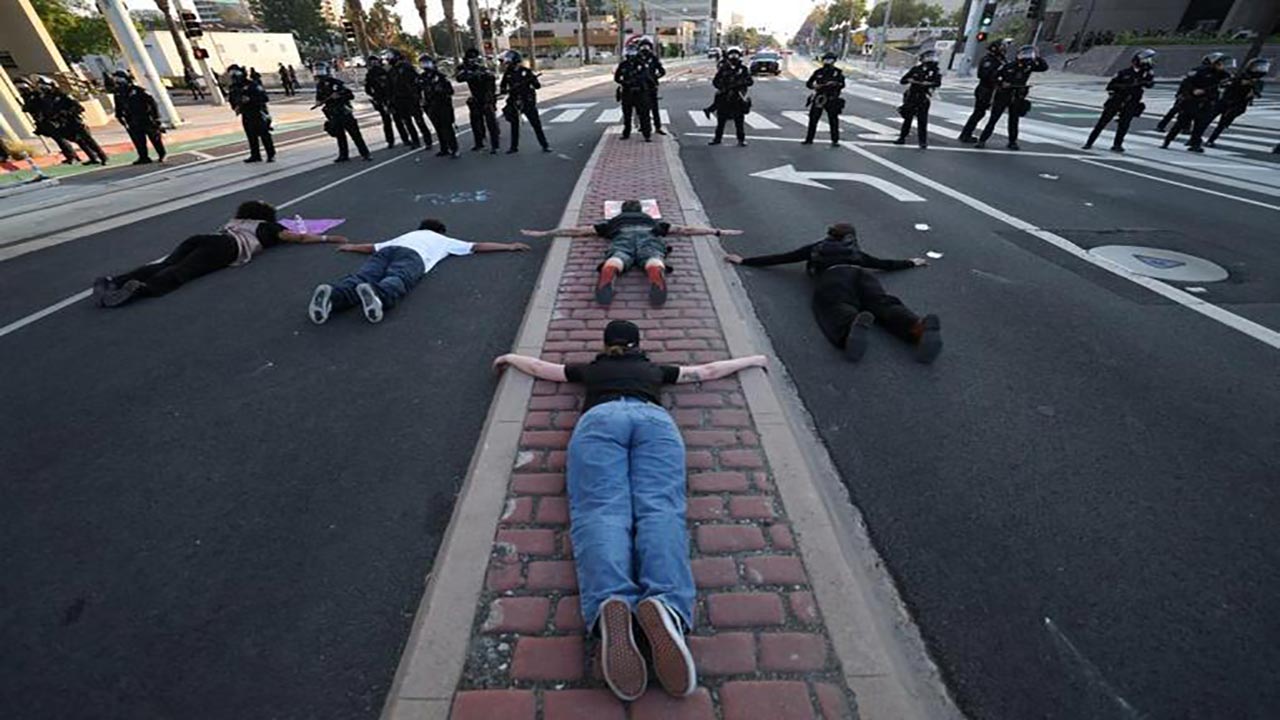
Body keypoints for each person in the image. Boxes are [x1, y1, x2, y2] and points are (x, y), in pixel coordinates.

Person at [492, 320, 769, 702]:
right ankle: (666, 606)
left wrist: (509, 357)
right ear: (639, 345)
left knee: (600, 510)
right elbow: (706, 372)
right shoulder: (653, 370)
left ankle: (612, 600)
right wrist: (753, 359)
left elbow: (545, 370)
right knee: (661, 510)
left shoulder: (593, 369)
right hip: (654, 422)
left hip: (599, 422)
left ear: (606, 346)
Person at [724, 223, 941, 363]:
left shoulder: (817, 248)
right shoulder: (856, 253)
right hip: (862, 275)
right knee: (883, 303)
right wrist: (912, 262)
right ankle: (916, 326)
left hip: (833, 276)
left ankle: (850, 327)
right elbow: (884, 264)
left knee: (837, 306)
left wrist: (745, 260)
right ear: (852, 238)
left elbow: (782, 257)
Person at [93, 201, 347, 308]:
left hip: (206, 237)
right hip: (227, 248)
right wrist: (328, 237)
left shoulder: (235, 219)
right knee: (184, 271)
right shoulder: (270, 227)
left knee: (168, 262)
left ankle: (115, 280)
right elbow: (299, 237)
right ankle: (142, 290)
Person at [521, 199, 741, 306]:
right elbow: (685, 230)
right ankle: (655, 269)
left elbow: (578, 231)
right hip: (648, 235)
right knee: (653, 255)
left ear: (623, 211)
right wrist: (717, 231)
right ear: (642, 211)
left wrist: (546, 233)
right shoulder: (652, 221)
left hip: (622, 236)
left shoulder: (613, 222)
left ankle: (610, 270)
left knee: (618, 256)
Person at [308, 219, 529, 324]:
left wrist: (351, 246)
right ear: (440, 231)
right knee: (398, 278)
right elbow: (477, 246)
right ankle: (378, 296)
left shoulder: (406, 234)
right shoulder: (443, 239)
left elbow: (372, 247)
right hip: (413, 257)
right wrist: (509, 246)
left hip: (389, 250)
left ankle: (333, 296)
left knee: (361, 277)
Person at [976, 44, 1048, 151]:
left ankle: (1012, 141)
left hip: (1018, 94)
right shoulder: (1008, 66)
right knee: (994, 118)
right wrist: (1002, 83)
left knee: (1014, 120)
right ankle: (982, 140)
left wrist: (1037, 56)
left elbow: (1043, 67)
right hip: (1004, 94)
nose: (1025, 57)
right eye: (1024, 54)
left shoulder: (1028, 67)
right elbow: (995, 76)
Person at [1082, 48, 1156, 152]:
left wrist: (1147, 81)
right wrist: (1126, 86)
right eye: (1145, 60)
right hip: (1117, 100)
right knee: (1103, 122)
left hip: (1132, 102)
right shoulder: (1124, 73)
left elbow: (1150, 84)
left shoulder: (1145, 74)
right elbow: (1111, 86)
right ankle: (1089, 142)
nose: (1147, 63)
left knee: (1124, 124)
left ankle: (1117, 144)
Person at [1161, 52, 1234, 153]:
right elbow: (1186, 83)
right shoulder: (1199, 71)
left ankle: (1195, 144)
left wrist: (1229, 83)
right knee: (1181, 122)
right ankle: (1167, 141)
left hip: (1208, 102)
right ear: (1214, 63)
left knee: (1201, 125)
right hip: (1192, 101)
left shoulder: (1224, 75)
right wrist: (1192, 91)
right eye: (1220, 63)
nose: (1222, 66)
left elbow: (1228, 83)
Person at [41, 77, 109, 165]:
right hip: (65, 124)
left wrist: (66, 112)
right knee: (78, 141)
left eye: (45, 86)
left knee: (88, 140)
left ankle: (103, 157)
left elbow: (79, 108)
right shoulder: (48, 99)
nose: (44, 88)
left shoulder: (63, 95)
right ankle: (93, 157)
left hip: (75, 121)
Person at [14, 77, 81, 164]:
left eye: (22, 87)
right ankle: (71, 156)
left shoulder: (37, 94)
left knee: (62, 138)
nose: (21, 89)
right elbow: (28, 107)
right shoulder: (26, 96)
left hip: (48, 119)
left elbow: (42, 105)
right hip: (41, 120)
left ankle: (73, 156)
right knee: (58, 139)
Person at [1206, 57, 1269, 148]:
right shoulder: (1241, 76)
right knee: (1208, 118)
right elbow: (1227, 84)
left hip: (1238, 105)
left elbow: (1256, 93)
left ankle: (1211, 140)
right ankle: (1196, 137)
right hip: (1225, 101)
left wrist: (1252, 89)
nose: (1260, 69)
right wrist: (1238, 82)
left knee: (1222, 124)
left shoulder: (1258, 82)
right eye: (1258, 67)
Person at [314, 62, 371, 162]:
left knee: (355, 134)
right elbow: (319, 99)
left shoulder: (336, 83)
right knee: (340, 136)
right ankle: (343, 155)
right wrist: (319, 102)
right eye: (317, 70)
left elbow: (350, 95)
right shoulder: (320, 86)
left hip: (344, 111)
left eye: (320, 70)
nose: (319, 73)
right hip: (333, 114)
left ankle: (365, 153)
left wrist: (339, 96)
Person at [499, 50, 551, 153]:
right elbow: (502, 87)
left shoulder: (526, 71)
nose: (507, 64)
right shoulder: (508, 73)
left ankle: (545, 145)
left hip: (527, 101)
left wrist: (533, 80)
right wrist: (505, 90)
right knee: (514, 125)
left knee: (536, 124)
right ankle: (514, 147)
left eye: (509, 61)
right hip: (514, 101)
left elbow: (537, 86)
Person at [112, 70, 166, 165]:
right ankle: (143, 157)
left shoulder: (139, 90)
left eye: (120, 79)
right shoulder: (118, 93)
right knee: (138, 140)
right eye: (116, 79)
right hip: (132, 120)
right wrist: (120, 117)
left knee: (155, 138)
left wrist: (156, 117)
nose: (118, 81)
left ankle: (162, 154)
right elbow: (118, 107)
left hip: (146, 118)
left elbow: (152, 103)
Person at [958, 41, 1007, 143]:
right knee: (979, 113)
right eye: (1001, 47)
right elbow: (983, 75)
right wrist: (997, 76)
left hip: (997, 90)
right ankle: (965, 134)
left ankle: (969, 134)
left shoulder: (1001, 60)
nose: (1003, 50)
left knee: (987, 113)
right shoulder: (988, 60)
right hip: (986, 90)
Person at [227, 64, 275, 163]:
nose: (233, 76)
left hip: (258, 112)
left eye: (235, 73)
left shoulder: (253, 84)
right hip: (245, 113)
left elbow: (264, 98)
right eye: (231, 73)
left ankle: (271, 154)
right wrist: (235, 106)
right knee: (251, 135)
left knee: (264, 134)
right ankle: (255, 155)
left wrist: (250, 99)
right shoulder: (233, 87)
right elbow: (232, 99)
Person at [895, 49, 942, 148]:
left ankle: (922, 141)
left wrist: (928, 84)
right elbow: (903, 80)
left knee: (922, 120)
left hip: (923, 96)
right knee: (908, 118)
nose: (930, 59)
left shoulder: (935, 71)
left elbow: (937, 83)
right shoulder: (916, 69)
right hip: (912, 95)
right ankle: (902, 137)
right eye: (928, 57)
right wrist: (911, 80)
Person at [457, 48, 501, 153]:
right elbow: (459, 77)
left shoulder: (482, 69)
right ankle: (479, 143)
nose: (470, 61)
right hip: (476, 98)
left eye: (472, 58)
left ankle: (495, 145)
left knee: (491, 122)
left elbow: (492, 80)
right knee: (475, 122)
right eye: (469, 59)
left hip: (487, 98)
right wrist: (469, 73)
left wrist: (490, 98)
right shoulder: (467, 69)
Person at [389, 49, 432, 149]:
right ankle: (415, 141)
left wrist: (418, 96)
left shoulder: (407, 67)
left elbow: (416, 82)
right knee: (407, 122)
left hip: (411, 98)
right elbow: (390, 87)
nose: (388, 58)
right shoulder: (391, 71)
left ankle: (428, 140)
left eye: (390, 56)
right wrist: (391, 101)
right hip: (399, 100)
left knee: (419, 121)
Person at [709, 46, 753, 147]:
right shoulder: (723, 69)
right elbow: (715, 82)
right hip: (725, 98)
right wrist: (723, 87)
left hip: (738, 98)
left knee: (739, 121)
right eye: (731, 54)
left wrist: (740, 84)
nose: (734, 57)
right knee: (721, 120)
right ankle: (717, 139)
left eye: (736, 54)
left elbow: (750, 81)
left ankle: (741, 139)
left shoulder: (743, 69)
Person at [417, 54, 459, 157]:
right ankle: (444, 148)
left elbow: (450, 91)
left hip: (443, 105)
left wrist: (440, 90)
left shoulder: (440, 76)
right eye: (423, 63)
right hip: (431, 106)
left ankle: (454, 148)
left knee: (447, 128)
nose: (425, 65)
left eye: (427, 63)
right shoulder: (422, 78)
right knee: (438, 128)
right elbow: (418, 90)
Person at [801, 52, 845, 146]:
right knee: (813, 118)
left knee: (833, 120)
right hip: (819, 97)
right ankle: (809, 139)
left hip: (832, 98)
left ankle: (835, 140)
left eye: (830, 59)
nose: (827, 61)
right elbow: (809, 83)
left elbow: (842, 85)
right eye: (825, 59)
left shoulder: (838, 72)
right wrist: (814, 86)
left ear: (834, 61)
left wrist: (835, 84)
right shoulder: (818, 72)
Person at [365, 53, 406, 148]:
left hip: (391, 97)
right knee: (386, 121)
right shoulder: (370, 75)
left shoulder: (386, 71)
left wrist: (392, 96)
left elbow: (392, 84)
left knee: (398, 120)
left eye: (375, 61)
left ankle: (405, 138)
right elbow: (368, 89)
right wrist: (375, 97)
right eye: (372, 62)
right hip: (381, 100)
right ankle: (390, 141)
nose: (374, 63)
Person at [615, 45, 654, 141]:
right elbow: (617, 77)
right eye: (629, 53)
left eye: (632, 53)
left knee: (644, 114)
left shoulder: (642, 64)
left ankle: (647, 134)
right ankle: (626, 133)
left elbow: (646, 77)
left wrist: (636, 81)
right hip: (627, 92)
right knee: (627, 114)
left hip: (640, 92)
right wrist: (624, 82)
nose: (631, 55)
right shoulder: (623, 65)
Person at [635, 36, 667, 135]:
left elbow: (662, 71)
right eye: (643, 46)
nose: (645, 48)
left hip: (651, 86)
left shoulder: (653, 58)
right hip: (640, 87)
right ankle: (642, 125)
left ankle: (658, 127)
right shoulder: (636, 59)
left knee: (654, 107)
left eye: (647, 46)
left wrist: (655, 78)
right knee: (641, 108)